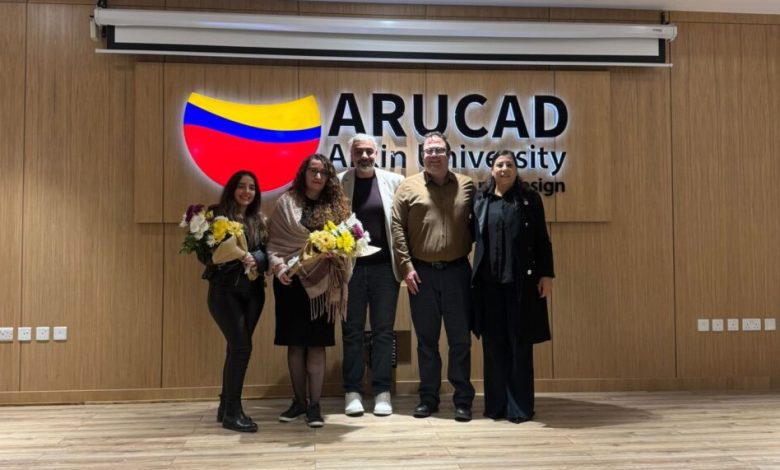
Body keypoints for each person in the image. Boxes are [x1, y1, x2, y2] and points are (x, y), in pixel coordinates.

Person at [391, 131, 476, 422]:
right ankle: (428, 398)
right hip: (421, 275)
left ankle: (462, 399)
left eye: (439, 150)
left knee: (460, 340)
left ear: (448, 154)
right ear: (422, 156)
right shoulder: (408, 186)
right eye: (429, 151)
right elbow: (397, 228)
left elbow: (479, 225)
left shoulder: (467, 185)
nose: (434, 155)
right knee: (426, 341)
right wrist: (406, 267)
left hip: (458, 274)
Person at [267, 154, 352, 428]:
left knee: (316, 344)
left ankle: (314, 405)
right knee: (295, 344)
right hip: (291, 283)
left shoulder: (337, 207)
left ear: (329, 178)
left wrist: (338, 254)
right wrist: (279, 267)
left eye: (323, 172)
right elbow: (273, 243)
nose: (318, 176)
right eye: (313, 171)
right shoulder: (286, 203)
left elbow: (349, 243)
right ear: (303, 173)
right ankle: (298, 402)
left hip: (324, 284)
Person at [471, 150, 554, 423]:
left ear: (516, 170)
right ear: (491, 170)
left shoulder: (529, 199)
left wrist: (546, 275)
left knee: (519, 345)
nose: (504, 168)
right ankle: (495, 406)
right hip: (488, 285)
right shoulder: (481, 199)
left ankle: (519, 407)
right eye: (500, 164)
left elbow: (542, 239)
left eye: (509, 164)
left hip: (521, 285)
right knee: (493, 345)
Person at [337, 133, 404, 417]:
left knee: (383, 331)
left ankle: (381, 391)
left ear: (377, 153)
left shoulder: (394, 182)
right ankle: (352, 391)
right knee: (351, 331)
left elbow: (401, 226)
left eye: (369, 152)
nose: (364, 156)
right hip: (350, 270)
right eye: (358, 152)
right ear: (350, 154)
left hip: (385, 269)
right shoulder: (339, 182)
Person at [200, 170, 268, 433]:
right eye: (241, 186)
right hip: (224, 291)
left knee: (236, 349)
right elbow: (204, 255)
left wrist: (256, 258)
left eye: (252, 187)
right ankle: (233, 412)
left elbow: (268, 252)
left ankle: (225, 406)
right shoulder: (215, 215)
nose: (246, 192)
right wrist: (231, 255)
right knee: (241, 348)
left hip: (254, 293)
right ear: (232, 189)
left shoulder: (259, 220)